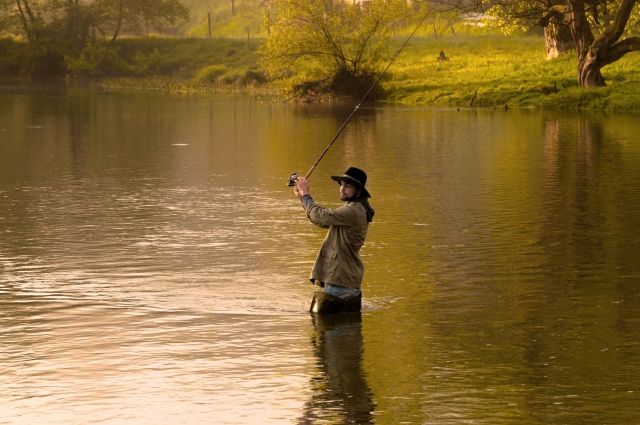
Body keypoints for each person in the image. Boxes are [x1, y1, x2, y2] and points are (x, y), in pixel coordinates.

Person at [294, 167, 374, 314]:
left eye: (348, 186)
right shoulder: (355, 208)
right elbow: (322, 221)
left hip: (340, 283)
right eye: (341, 184)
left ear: (359, 190)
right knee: (342, 332)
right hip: (346, 281)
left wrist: (306, 195)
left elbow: (320, 216)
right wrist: (302, 199)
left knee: (325, 329)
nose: (342, 189)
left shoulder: (353, 210)